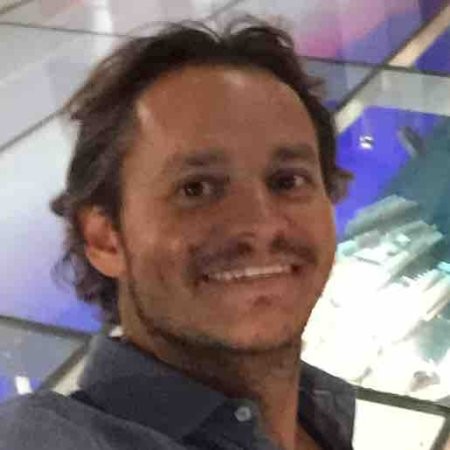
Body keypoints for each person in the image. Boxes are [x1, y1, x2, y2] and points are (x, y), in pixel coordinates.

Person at [0, 19, 354, 450]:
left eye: (288, 181)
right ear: (105, 238)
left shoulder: (321, 413)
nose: (261, 226)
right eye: (196, 188)